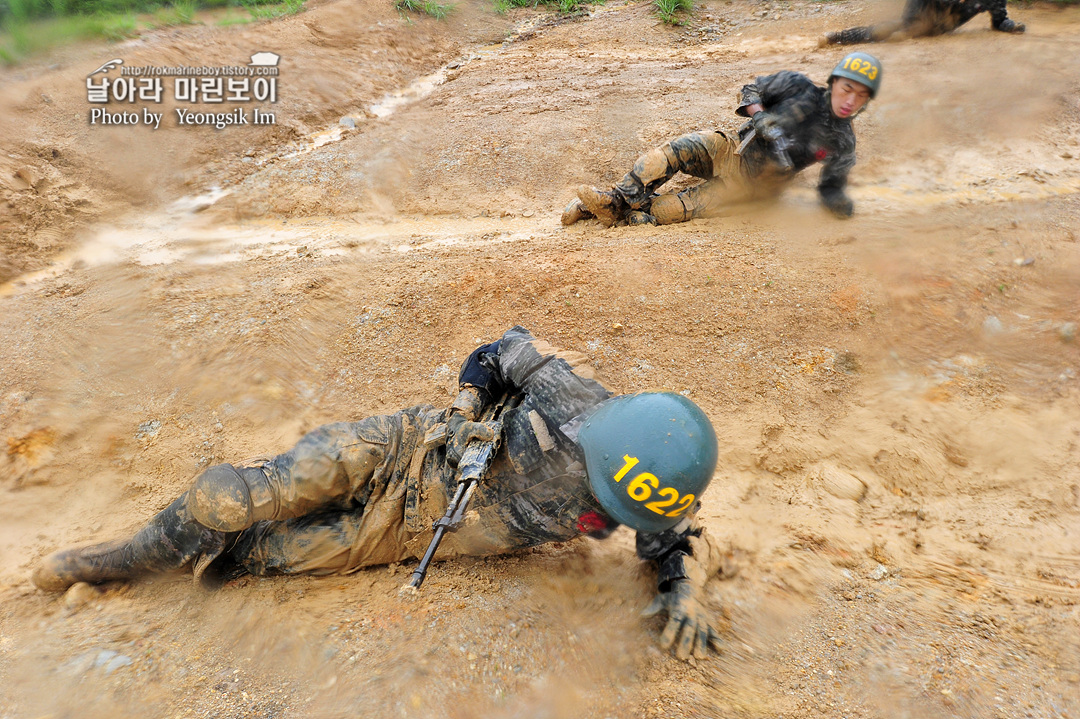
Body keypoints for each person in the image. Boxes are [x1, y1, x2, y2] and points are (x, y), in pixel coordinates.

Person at [32, 326, 727, 660]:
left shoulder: (654, 492)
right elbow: (497, 350)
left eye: (623, 509)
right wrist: (462, 412)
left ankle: (208, 555)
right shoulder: (571, 391)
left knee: (262, 557)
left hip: (419, 534)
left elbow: (682, 544)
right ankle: (122, 557)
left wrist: (683, 592)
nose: (609, 512)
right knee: (240, 497)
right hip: (405, 446)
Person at [562, 52, 883, 228]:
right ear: (833, 82)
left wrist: (839, 204)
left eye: (861, 96)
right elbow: (752, 90)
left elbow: (831, 188)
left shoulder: (843, 142)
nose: (850, 101)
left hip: (753, 187)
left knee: (666, 212)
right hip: (731, 147)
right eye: (847, 89)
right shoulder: (797, 85)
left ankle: (599, 213)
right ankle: (614, 201)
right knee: (669, 154)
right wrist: (759, 116)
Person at [822, 0, 1024, 46]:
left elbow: (998, 18)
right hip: (920, 17)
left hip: (946, 23)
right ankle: (843, 36)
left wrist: (1006, 23)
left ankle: (1001, 21)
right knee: (896, 28)